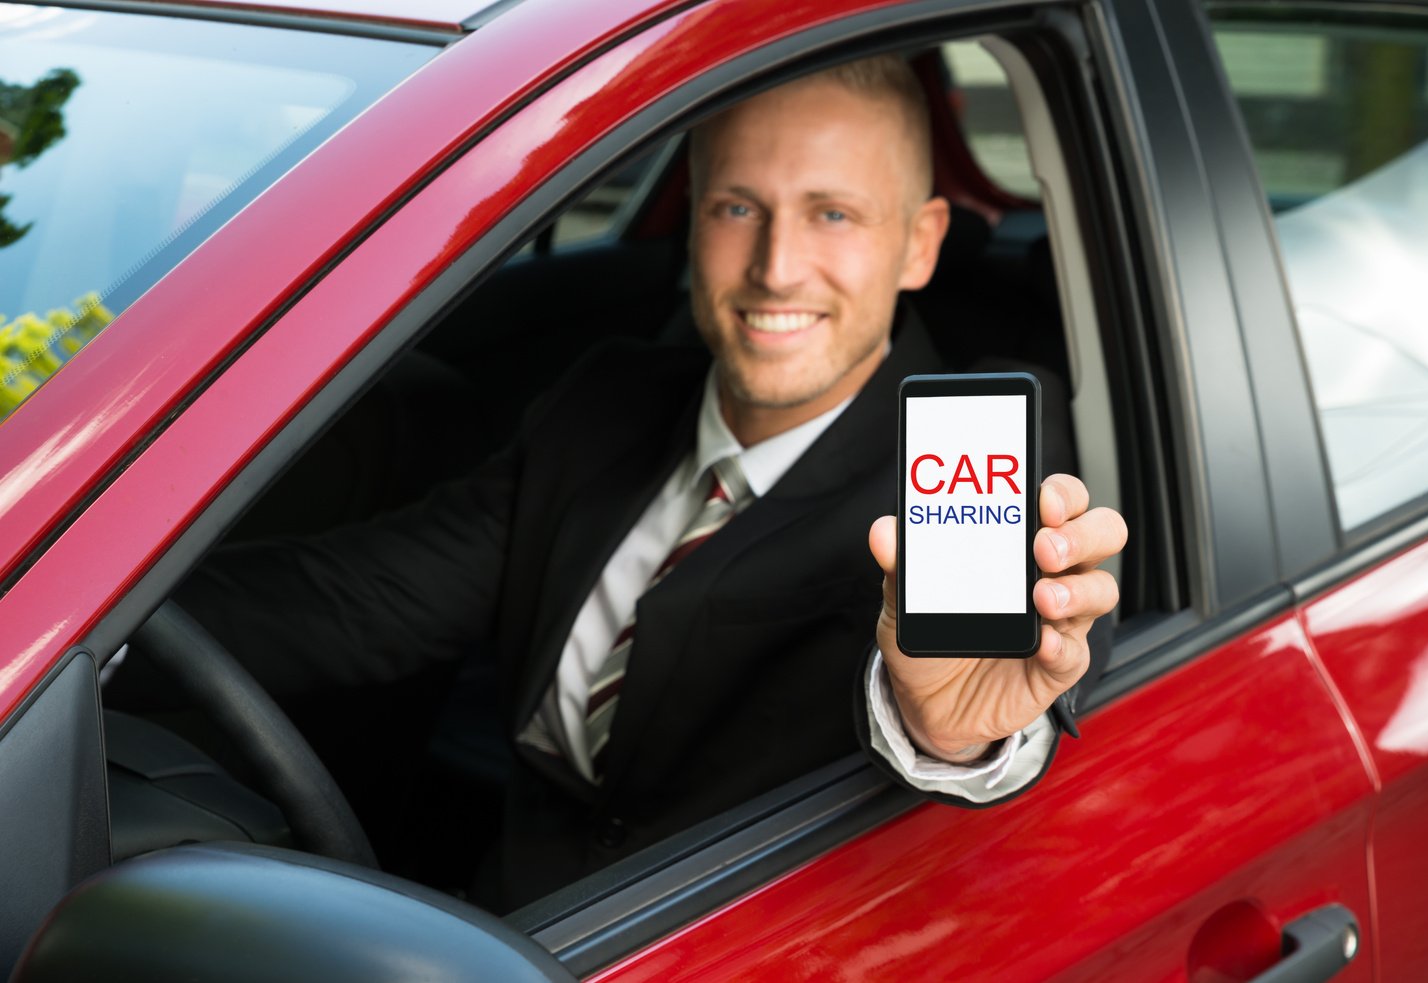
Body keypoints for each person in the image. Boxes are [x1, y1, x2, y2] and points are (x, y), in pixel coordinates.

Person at [151, 54, 1126, 908]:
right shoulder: (604, 398)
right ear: (694, 219)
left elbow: (999, 693)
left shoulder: (975, 467)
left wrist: (950, 738)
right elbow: (360, 594)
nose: (776, 266)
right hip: (504, 916)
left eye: (832, 213)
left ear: (917, 243)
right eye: (737, 207)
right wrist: (82, 630)